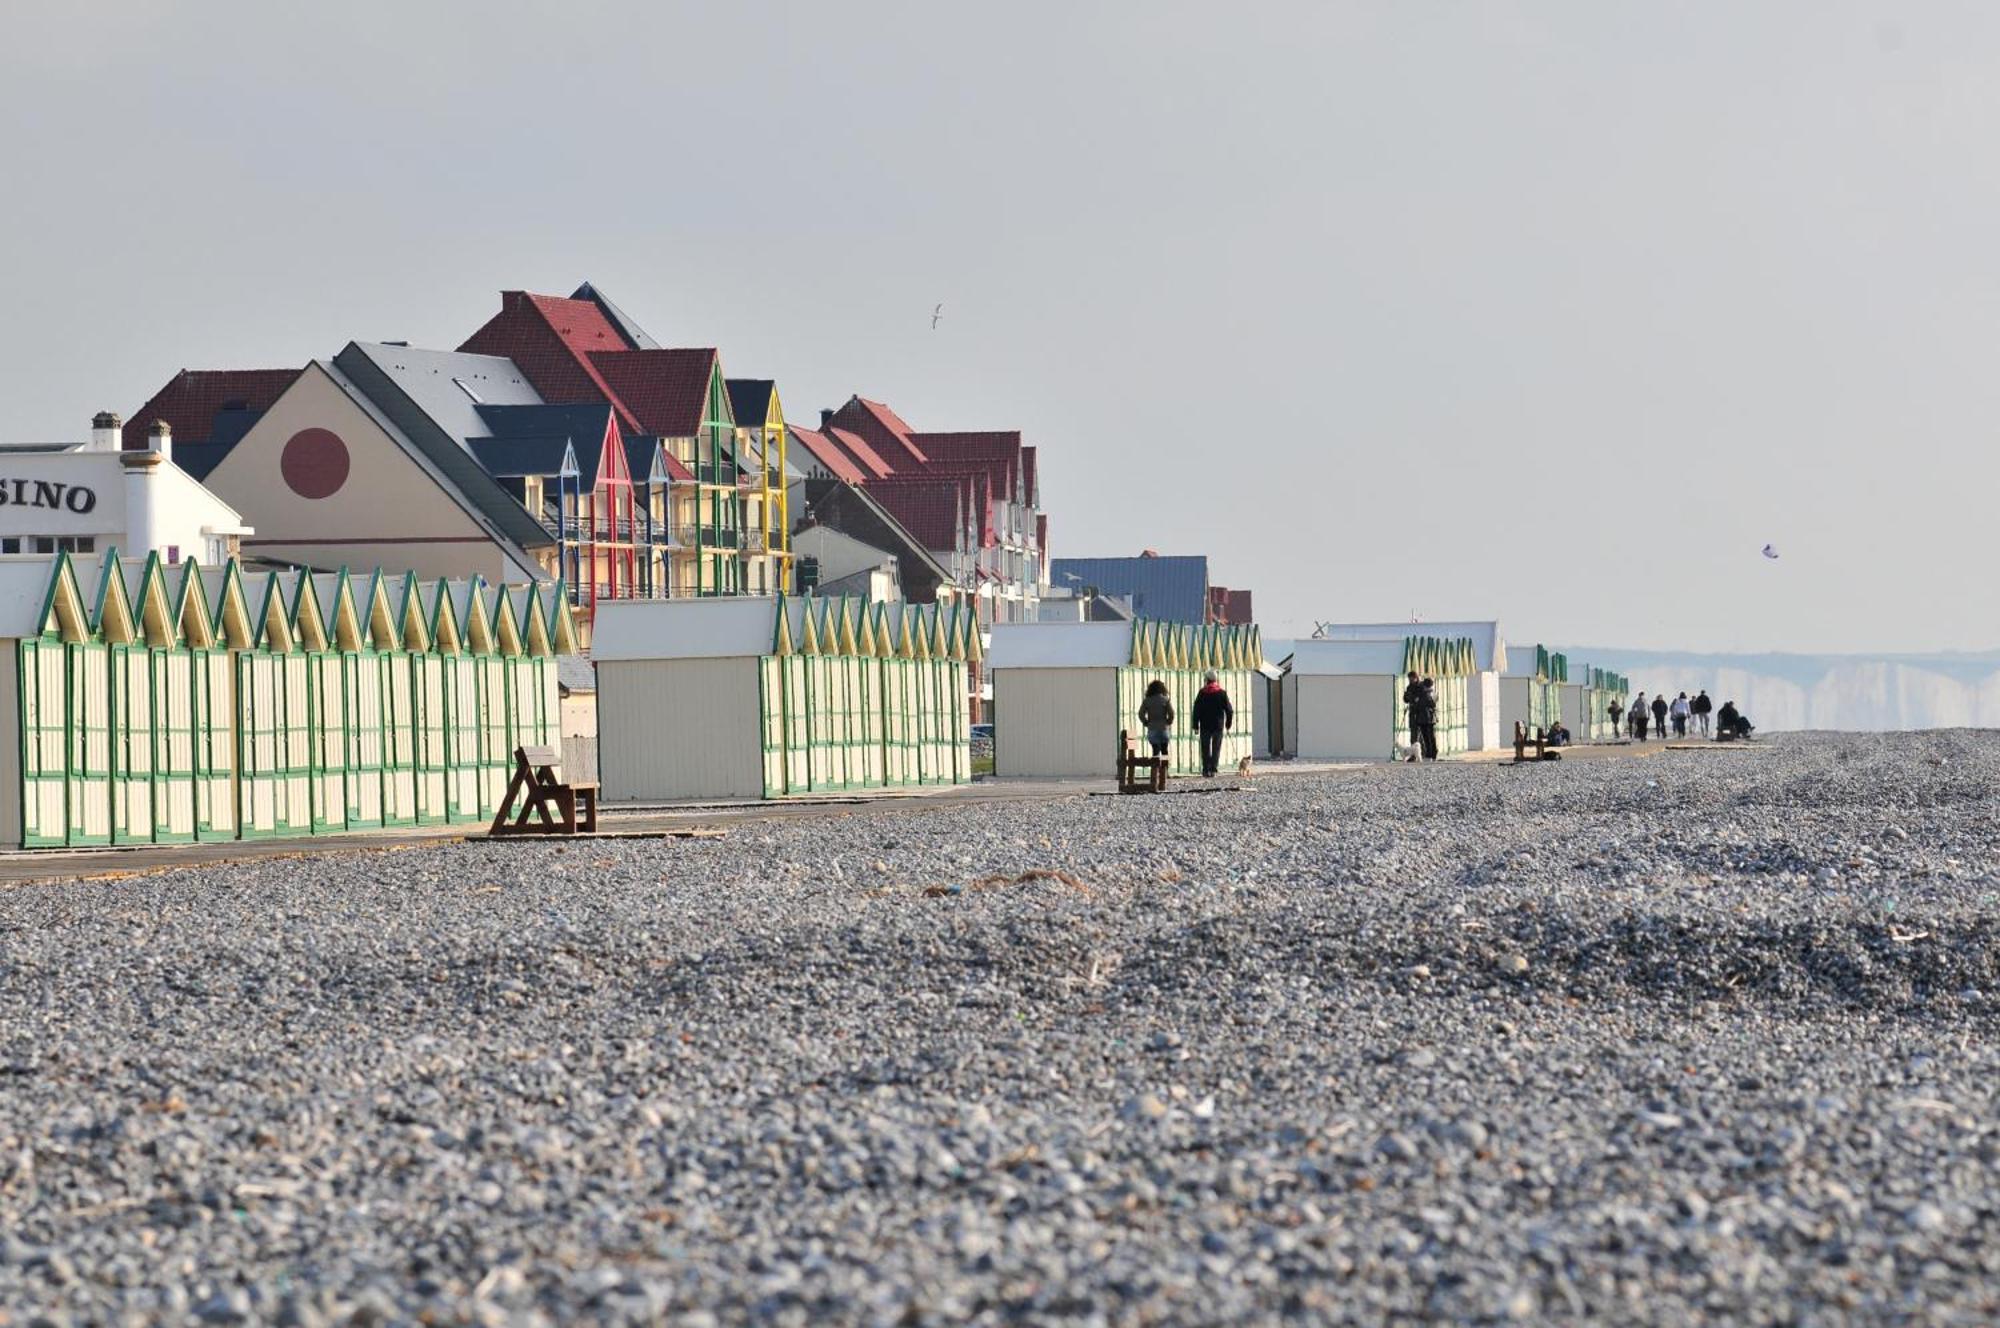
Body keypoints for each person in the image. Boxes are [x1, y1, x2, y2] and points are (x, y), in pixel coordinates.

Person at [1190, 669, 1235, 777]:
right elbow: (1229, 710)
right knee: (1216, 747)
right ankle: (1214, 769)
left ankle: (1206, 769)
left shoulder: (1202, 693)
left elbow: (1196, 710)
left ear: (1207, 680)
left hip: (1205, 725)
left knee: (1205, 748)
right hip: (1218, 725)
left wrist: (1195, 725)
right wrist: (1228, 724)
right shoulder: (1222, 693)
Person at [1137, 679, 1174, 759]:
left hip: (1152, 727)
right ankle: (1164, 768)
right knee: (1164, 749)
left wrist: (1145, 722)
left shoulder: (1147, 700)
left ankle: (1155, 768)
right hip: (1163, 727)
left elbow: (1140, 714)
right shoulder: (1165, 700)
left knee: (1155, 749)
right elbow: (1171, 713)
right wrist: (1168, 721)